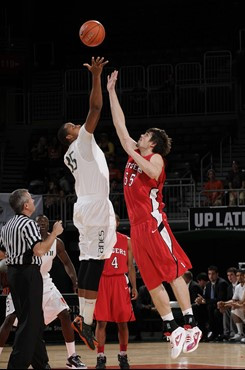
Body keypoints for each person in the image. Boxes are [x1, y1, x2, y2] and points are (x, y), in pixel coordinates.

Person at [106, 70, 202, 360]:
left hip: (153, 222)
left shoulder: (154, 157)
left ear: (153, 143)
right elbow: (120, 126)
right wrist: (111, 91)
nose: (140, 135)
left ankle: (191, 324)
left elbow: (152, 172)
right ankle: (171, 329)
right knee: (150, 281)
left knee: (173, 272)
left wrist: (132, 152)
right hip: (136, 227)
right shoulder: (137, 150)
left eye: (145, 135)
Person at [57, 56, 117, 351]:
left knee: (86, 259)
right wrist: (96, 76)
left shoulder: (72, 152)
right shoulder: (80, 142)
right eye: (73, 125)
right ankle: (87, 320)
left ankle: (83, 316)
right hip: (94, 206)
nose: (78, 124)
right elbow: (95, 108)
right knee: (96, 262)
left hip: (83, 206)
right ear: (70, 135)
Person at [0, 215, 86, 369]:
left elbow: (67, 262)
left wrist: (75, 280)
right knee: (9, 321)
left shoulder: (56, 243)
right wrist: (6, 280)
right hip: (25, 283)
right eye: (38, 223)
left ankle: (72, 357)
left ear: (48, 225)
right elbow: (7, 259)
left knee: (65, 314)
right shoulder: (27, 240)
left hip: (45, 282)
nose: (41, 225)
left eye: (44, 223)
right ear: (34, 225)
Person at [0, 189, 63, 369]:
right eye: (31, 200)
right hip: (28, 273)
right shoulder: (28, 224)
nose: (34, 202)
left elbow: (1, 253)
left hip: (14, 274)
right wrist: (55, 233)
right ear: (26, 205)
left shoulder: (8, 225)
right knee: (29, 322)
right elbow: (39, 250)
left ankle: (41, 363)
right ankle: (16, 365)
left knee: (33, 319)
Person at [93, 214, 138, 369]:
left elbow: (131, 266)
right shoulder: (99, 240)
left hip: (120, 281)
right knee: (101, 321)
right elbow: (93, 264)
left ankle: (123, 355)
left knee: (122, 321)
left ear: (118, 223)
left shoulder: (127, 240)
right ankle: (100, 356)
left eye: (113, 221)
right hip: (103, 281)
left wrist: (134, 286)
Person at [195, 265, 228, 342]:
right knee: (195, 307)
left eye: (213, 274)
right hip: (210, 305)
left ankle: (215, 332)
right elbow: (205, 297)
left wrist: (206, 301)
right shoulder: (208, 284)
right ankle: (202, 332)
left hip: (220, 305)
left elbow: (220, 298)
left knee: (212, 309)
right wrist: (200, 299)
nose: (211, 276)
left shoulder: (222, 283)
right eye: (209, 274)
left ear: (217, 274)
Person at [217, 269, 245, 342]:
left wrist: (231, 304)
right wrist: (224, 303)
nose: (240, 277)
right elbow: (234, 300)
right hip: (242, 305)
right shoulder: (238, 286)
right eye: (238, 275)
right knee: (234, 309)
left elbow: (242, 302)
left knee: (239, 307)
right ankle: (240, 333)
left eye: (242, 275)